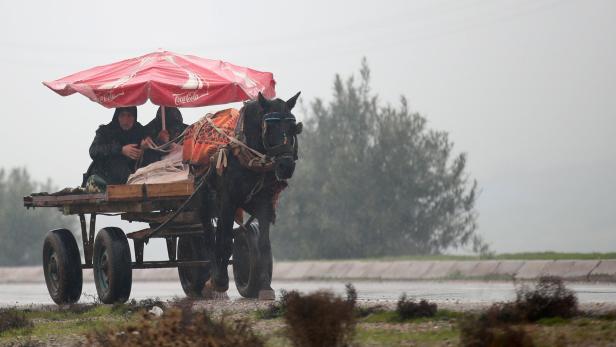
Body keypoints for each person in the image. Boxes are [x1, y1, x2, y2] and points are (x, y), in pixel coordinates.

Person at [82, 106, 145, 191]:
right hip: (103, 175)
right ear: (117, 116)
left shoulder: (140, 131)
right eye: (122, 115)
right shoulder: (105, 131)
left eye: (129, 116)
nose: (126, 120)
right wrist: (121, 150)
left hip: (133, 178)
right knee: (117, 162)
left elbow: (153, 144)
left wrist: (149, 145)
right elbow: (93, 151)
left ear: (134, 117)